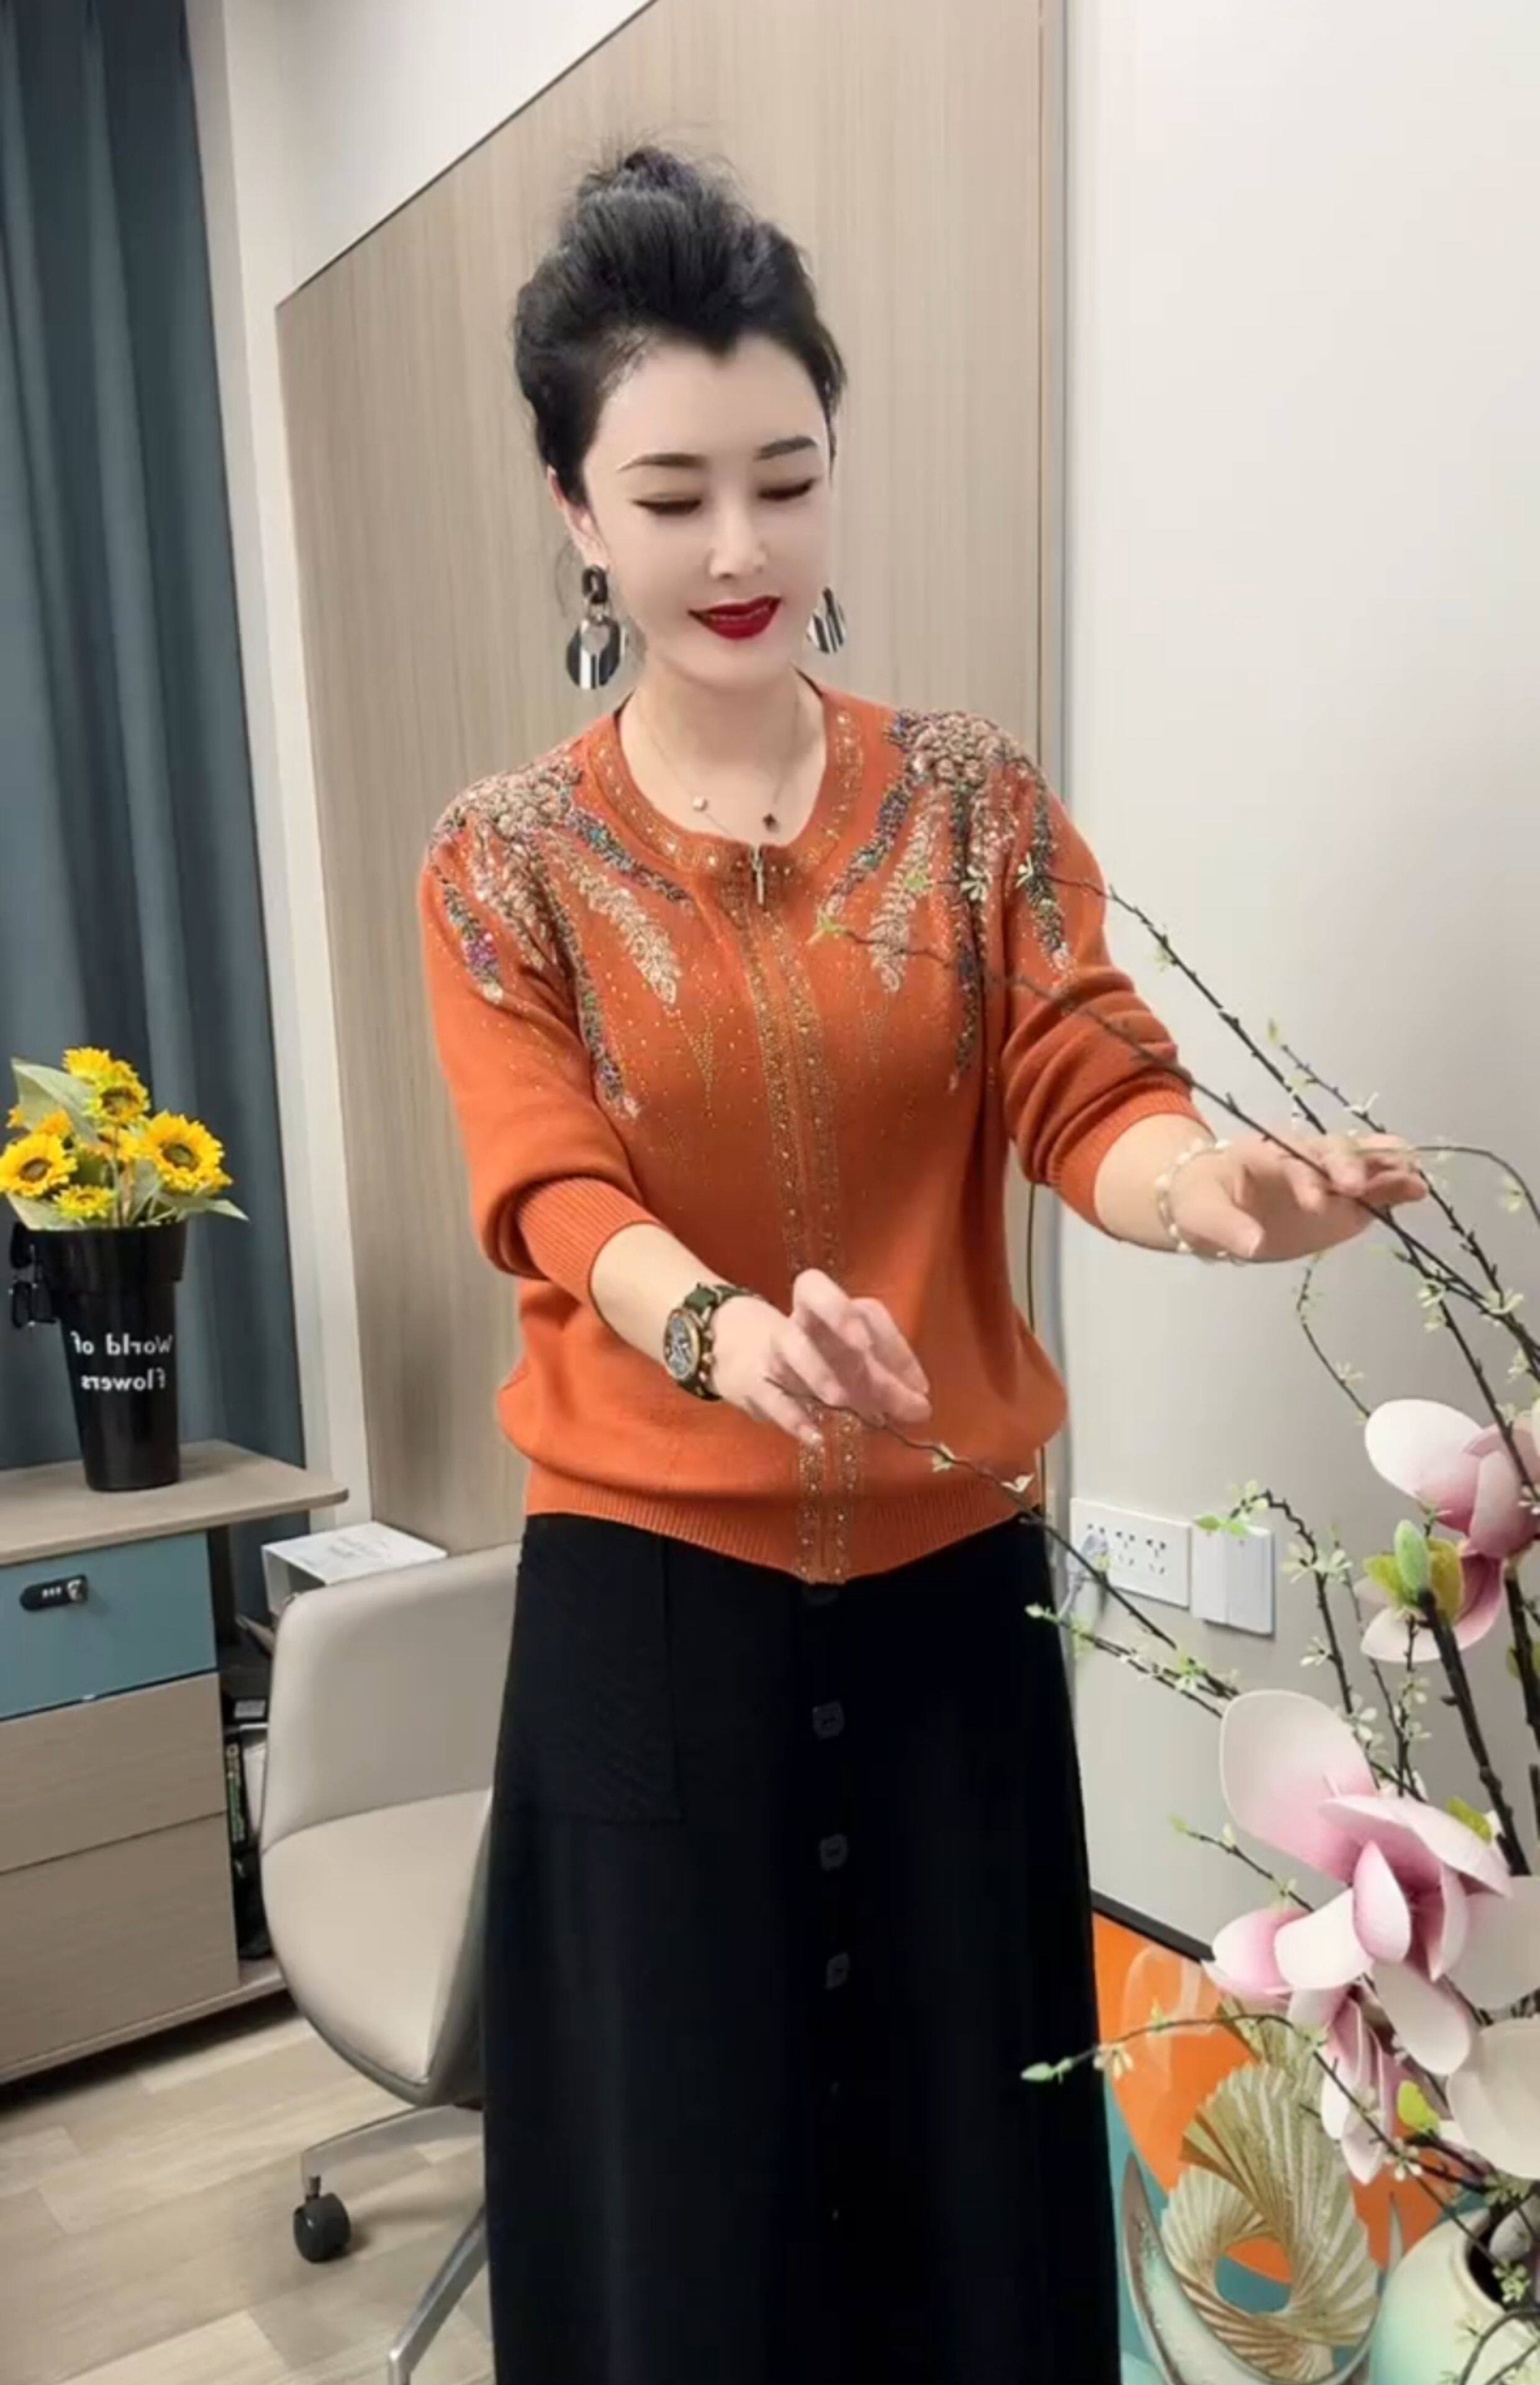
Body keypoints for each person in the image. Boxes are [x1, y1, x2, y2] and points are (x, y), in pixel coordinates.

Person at [417, 146, 1426, 2385]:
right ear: (575, 510)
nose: (741, 549)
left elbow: (1085, 1086)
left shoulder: (969, 803)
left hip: (954, 1601)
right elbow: (549, 1185)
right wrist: (719, 1330)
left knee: (973, 2198)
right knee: (685, 2229)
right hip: (649, 1624)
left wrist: (1208, 1190)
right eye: (673, 494)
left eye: (786, 480)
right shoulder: (504, 864)